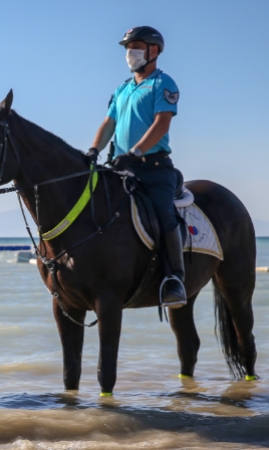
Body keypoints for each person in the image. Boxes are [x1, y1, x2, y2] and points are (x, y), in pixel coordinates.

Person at [87, 26, 186, 308]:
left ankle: (174, 279)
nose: (131, 53)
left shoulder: (163, 83)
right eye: (128, 48)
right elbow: (109, 123)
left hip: (153, 169)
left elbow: (162, 123)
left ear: (154, 51)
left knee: (165, 216)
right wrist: (94, 149)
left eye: (137, 46)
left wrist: (135, 152)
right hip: (120, 167)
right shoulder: (122, 88)